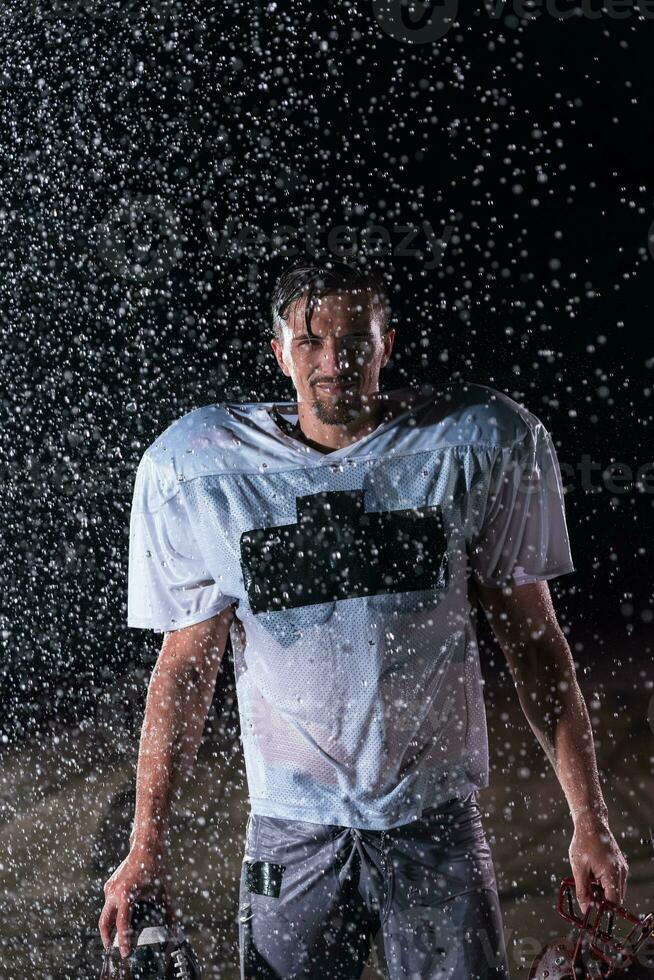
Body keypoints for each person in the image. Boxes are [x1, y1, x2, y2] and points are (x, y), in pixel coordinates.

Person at [99, 259, 628, 979]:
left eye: (354, 340)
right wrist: (145, 845)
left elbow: (535, 646)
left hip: (434, 819)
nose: (333, 361)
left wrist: (589, 820)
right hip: (291, 826)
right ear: (279, 352)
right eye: (310, 342)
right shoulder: (202, 470)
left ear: (387, 344)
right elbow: (186, 671)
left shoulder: (473, 445)